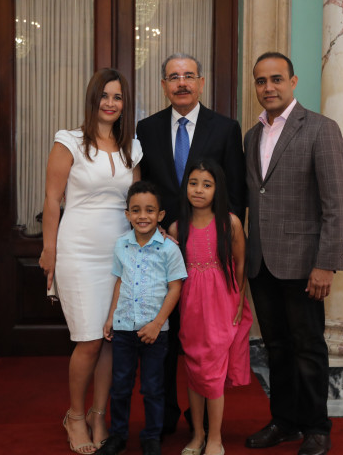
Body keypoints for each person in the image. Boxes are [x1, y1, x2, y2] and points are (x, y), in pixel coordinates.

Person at [243, 52, 343, 455]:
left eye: (276, 79)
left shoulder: (321, 129)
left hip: (305, 264)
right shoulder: (251, 136)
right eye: (261, 81)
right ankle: (284, 422)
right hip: (261, 263)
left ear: (293, 81)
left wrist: (326, 264)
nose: (268, 87)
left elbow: (336, 204)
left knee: (308, 347)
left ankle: (317, 427)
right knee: (277, 348)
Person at [136, 53, 245, 434]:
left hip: (209, 257)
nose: (181, 83)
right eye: (173, 77)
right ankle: (164, 417)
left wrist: (226, 245)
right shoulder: (146, 129)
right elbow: (144, 189)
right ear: (163, 85)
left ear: (201, 82)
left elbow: (235, 192)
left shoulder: (225, 128)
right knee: (164, 340)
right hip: (161, 251)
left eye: (188, 76)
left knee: (206, 343)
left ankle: (207, 425)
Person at [39, 68, 142, 454]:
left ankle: (100, 416)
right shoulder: (69, 141)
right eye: (104, 95)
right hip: (78, 251)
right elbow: (52, 199)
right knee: (89, 339)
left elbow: (138, 203)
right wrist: (49, 250)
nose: (110, 103)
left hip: (119, 254)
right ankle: (76, 416)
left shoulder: (132, 148)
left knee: (110, 339)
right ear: (92, 98)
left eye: (117, 97)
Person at [167, 159, 252, 455]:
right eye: (193, 183)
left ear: (218, 189)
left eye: (207, 184)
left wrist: (239, 301)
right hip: (191, 306)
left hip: (222, 303)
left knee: (213, 371)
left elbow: (240, 263)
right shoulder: (177, 228)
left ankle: (215, 437)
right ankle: (198, 434)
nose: (199, 190)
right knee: (194, 368)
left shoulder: (230, 223)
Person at [97, 181, 187, 455]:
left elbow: (175, 288)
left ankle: (151, 437)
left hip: (154, 332)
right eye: (136, 210)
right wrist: (111, 317)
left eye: (149, 210)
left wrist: (158, 324)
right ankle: (118, 435)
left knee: (153, 387)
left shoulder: (169, 249)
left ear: (160, 215)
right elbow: (120, 281)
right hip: (124, 328)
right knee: (120, 386)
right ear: (127, 214)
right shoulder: (121, 245)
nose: (143, 216)